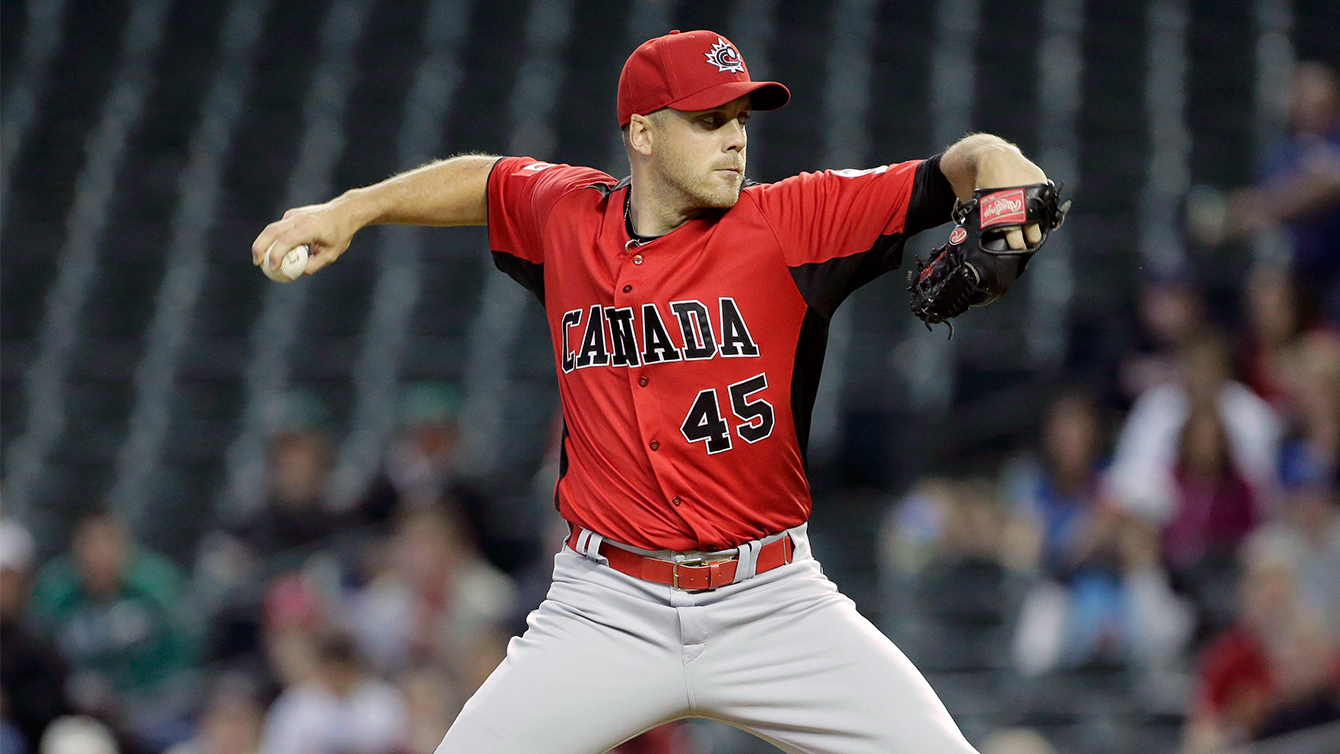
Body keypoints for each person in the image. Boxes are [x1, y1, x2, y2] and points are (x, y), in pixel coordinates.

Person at [251, 29, 1061, 754]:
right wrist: (353, 209)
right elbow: (485, 181)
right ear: (642, 132)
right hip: (605, 609)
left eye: (742, 119)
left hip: (772, 603)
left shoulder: (792, 220)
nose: (735, 141)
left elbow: (953, 169)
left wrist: (1001, 168)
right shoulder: (568, 217)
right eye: (710, 121)